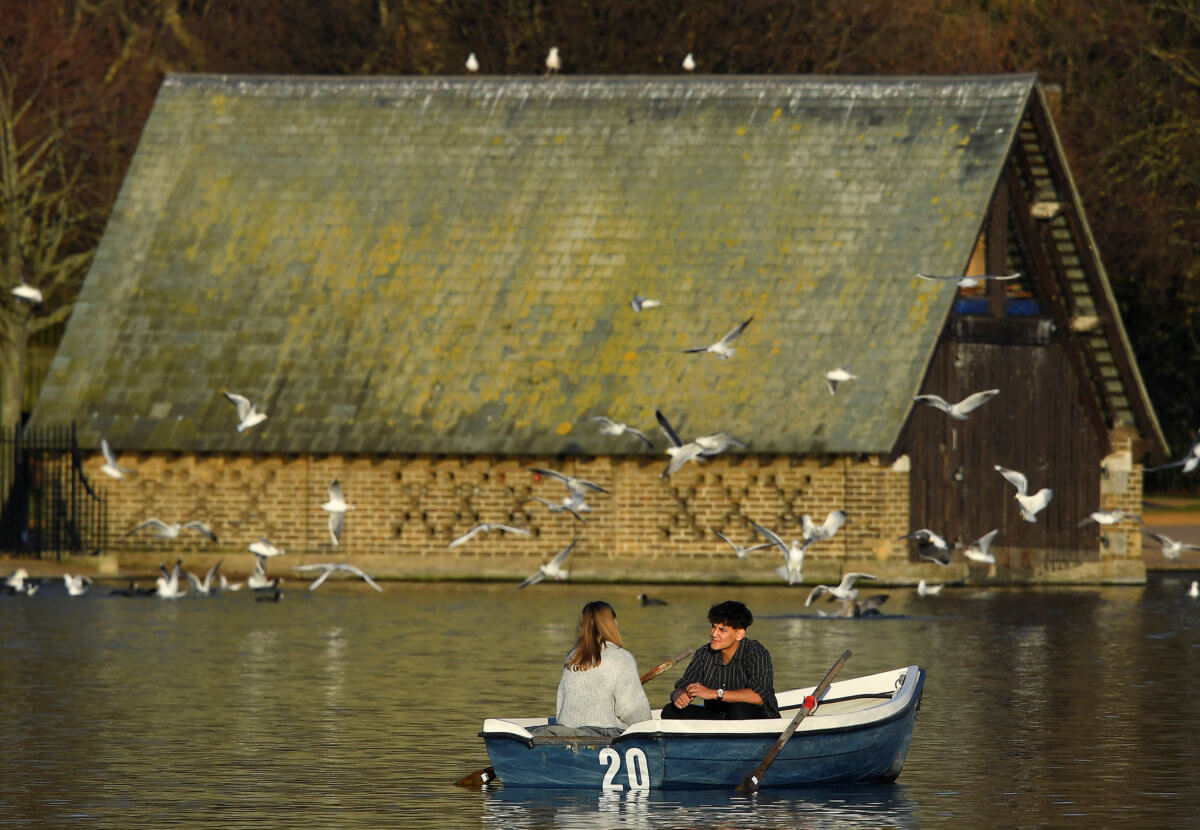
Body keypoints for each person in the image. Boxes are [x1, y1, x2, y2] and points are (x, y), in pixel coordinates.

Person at [536, 600, 652, 737]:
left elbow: (560, 706)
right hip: (603, 734)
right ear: (612, 623)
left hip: (566, 731)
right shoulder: (621, 657)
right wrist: (649, 727)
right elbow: (633, 711)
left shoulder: (572, 657)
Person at [661, 600, 778, 720]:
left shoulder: (756, 653)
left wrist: (714, 693)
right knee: (669, 711)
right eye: (713, 627)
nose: (714, 634)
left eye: (722, 630)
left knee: (738, 709)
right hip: (717, 716)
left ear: (739, 634)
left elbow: (759, 697)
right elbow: (684, 685)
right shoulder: (704, 653)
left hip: (757, 716)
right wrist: (679, 695)